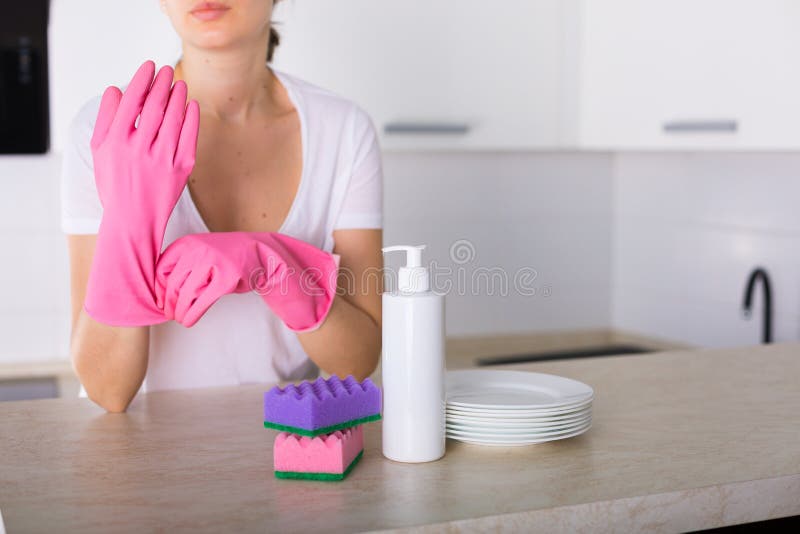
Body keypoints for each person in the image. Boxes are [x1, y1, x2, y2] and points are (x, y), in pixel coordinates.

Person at [60, 0, 383, 412]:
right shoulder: (109, 132)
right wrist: (129, 222)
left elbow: (357, 361)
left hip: (278, 444)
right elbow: (107, 390)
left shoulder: (343, 131)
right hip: (138, 456)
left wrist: (274, 266)